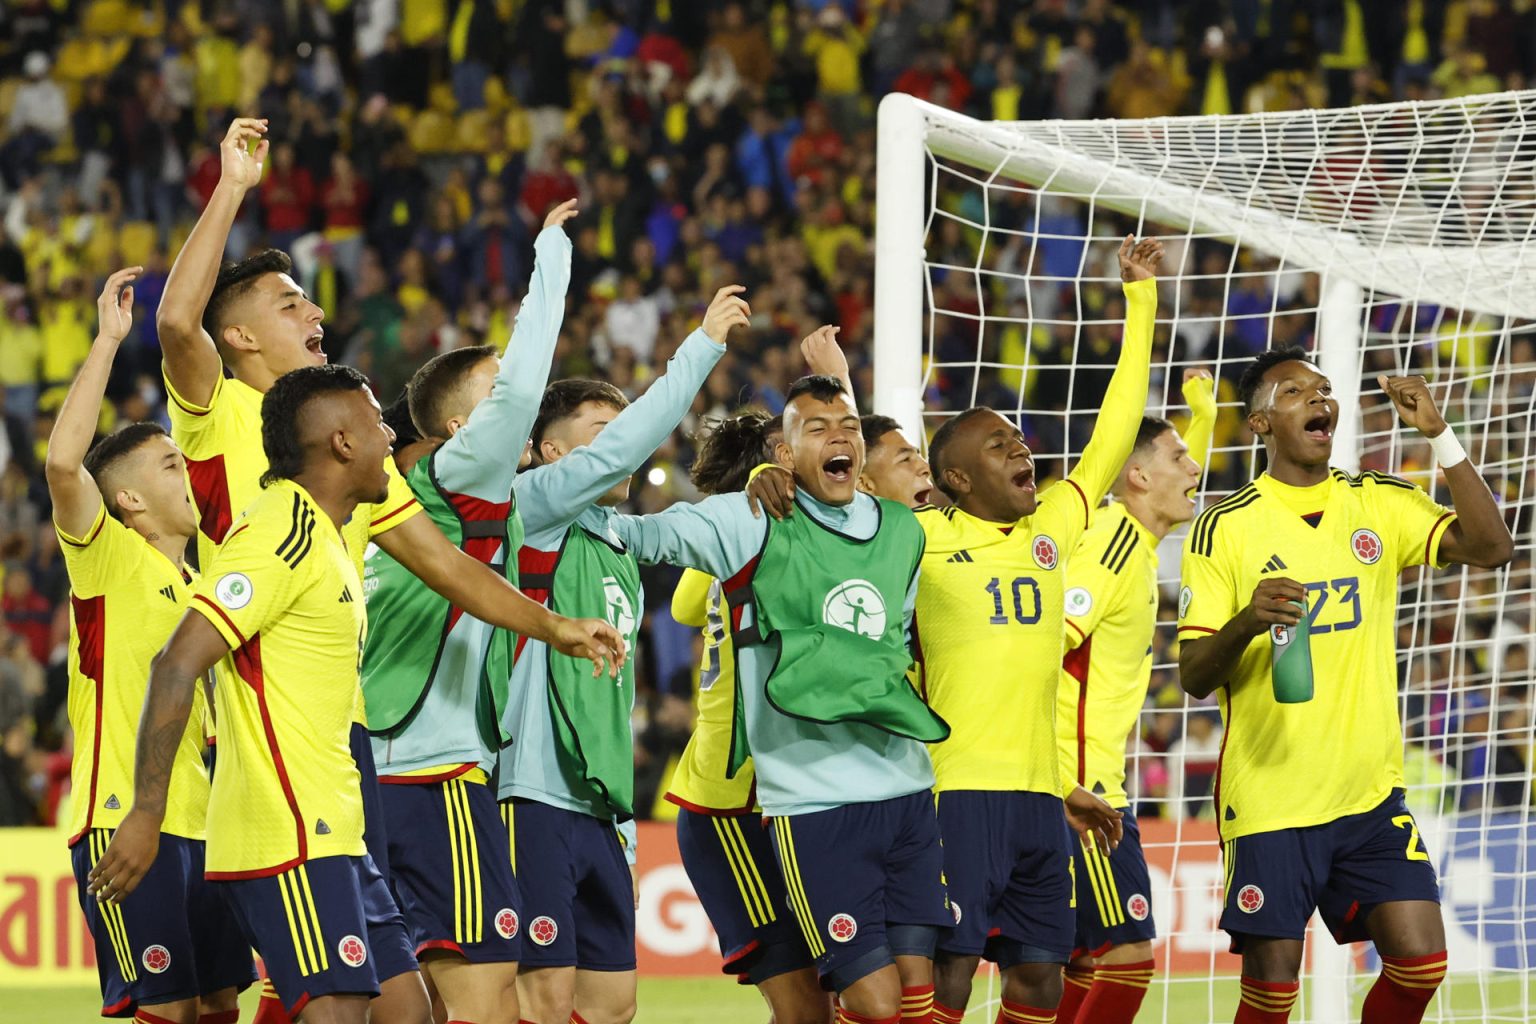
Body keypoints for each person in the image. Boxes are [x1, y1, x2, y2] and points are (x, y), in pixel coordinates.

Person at [152, 116, 625, 1022]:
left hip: (347, 734)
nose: (314, 314)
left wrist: (551, 624)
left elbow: (445, 563)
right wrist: (234, 189)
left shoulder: (351, 455)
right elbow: (178, 318)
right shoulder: (216, 416)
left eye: (309, 302)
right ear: (242, 339)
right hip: (265, 730)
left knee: (372, 995)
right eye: (290, 305)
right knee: (335, 989)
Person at [757, 239, 1160, 1023]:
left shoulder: (1054, 529)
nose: (1021, 449)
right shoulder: (921, 541)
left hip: (1041, 797)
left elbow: (1111, 437)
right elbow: (851, 482)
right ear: (959, 480)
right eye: (999, 445)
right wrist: (780, 460)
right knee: (945, 981)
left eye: (1019, 438)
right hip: (954, 792)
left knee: (1041, 979)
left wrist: (1139, 303)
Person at [1177, 347, 1514, 1024]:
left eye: (1324, 389)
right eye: (1297, 391)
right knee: (1272, 990)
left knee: (1422, 962)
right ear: (1261, 424)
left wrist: (1439, 435)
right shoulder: (1226, 527)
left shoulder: (1379, 501)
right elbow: (1192, 675)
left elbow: (1491, 547)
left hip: (1368, 793)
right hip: (1273, 797)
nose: (1319, 399)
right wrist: (1247, 619)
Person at [91, 366, 430, 1024]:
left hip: (339, 827)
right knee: (334, 1012)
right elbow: (175, 665)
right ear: (339, 441)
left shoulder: (331, 536)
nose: (390, 433)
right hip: (287, 828)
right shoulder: (279, 531)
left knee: (405, 1012)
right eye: (375, 422)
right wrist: (144, 813)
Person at [614, 374, 952, 1024]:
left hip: (821, 790)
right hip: (736, 800)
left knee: (858, 994)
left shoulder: (866, 537)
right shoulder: (745, 544)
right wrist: (755, 502)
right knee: (808, 1008)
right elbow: (695, 597)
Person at [496, 285, 745, 1024]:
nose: (623, 446)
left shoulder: (617, 540)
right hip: (530, 790)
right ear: (550, 453)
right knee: (540, 1000)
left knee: (612, 1006)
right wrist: (700, 345)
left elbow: (701, 531)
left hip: (601, 806)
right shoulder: (533, 511)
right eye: (603, 432)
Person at [357, 198, 577, 1024]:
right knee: (486, 992)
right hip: (439, 774)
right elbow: (526, 377)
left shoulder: (402, 511)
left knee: (401, 1003)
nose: (519, 400)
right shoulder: (467, 476)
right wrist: (551, 253)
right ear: (460, 423)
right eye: (496, 395)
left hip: (370, 774)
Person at [50, 267, 254, 1024]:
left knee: (219, 1006)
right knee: (163, 1011)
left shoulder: (208, 583)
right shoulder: (108, 557)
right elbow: (64, 466)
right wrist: (108, 340)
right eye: (173, 464)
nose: (190, 473)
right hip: (125, 819)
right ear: (129, 498)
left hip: (207, 826)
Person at [1052, 370, 1216, 1024]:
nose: (1195, 467)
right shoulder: (1114, 547)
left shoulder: (1140, 544)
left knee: (1078, 964)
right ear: (1139, 479)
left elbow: (1173, 466)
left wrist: (1199, 416)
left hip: (1078, 784)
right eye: (1180, 458)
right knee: (1128, 960)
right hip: (1082, 791)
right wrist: (1062, 780)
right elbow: (1042, 654)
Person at [665, 410, 829, 1024]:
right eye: (787, 448)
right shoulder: (760, 535)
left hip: (785, 797)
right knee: (807, 1011)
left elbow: (686, 605)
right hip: (732, 804)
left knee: (836, 1001)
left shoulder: (728, 547)